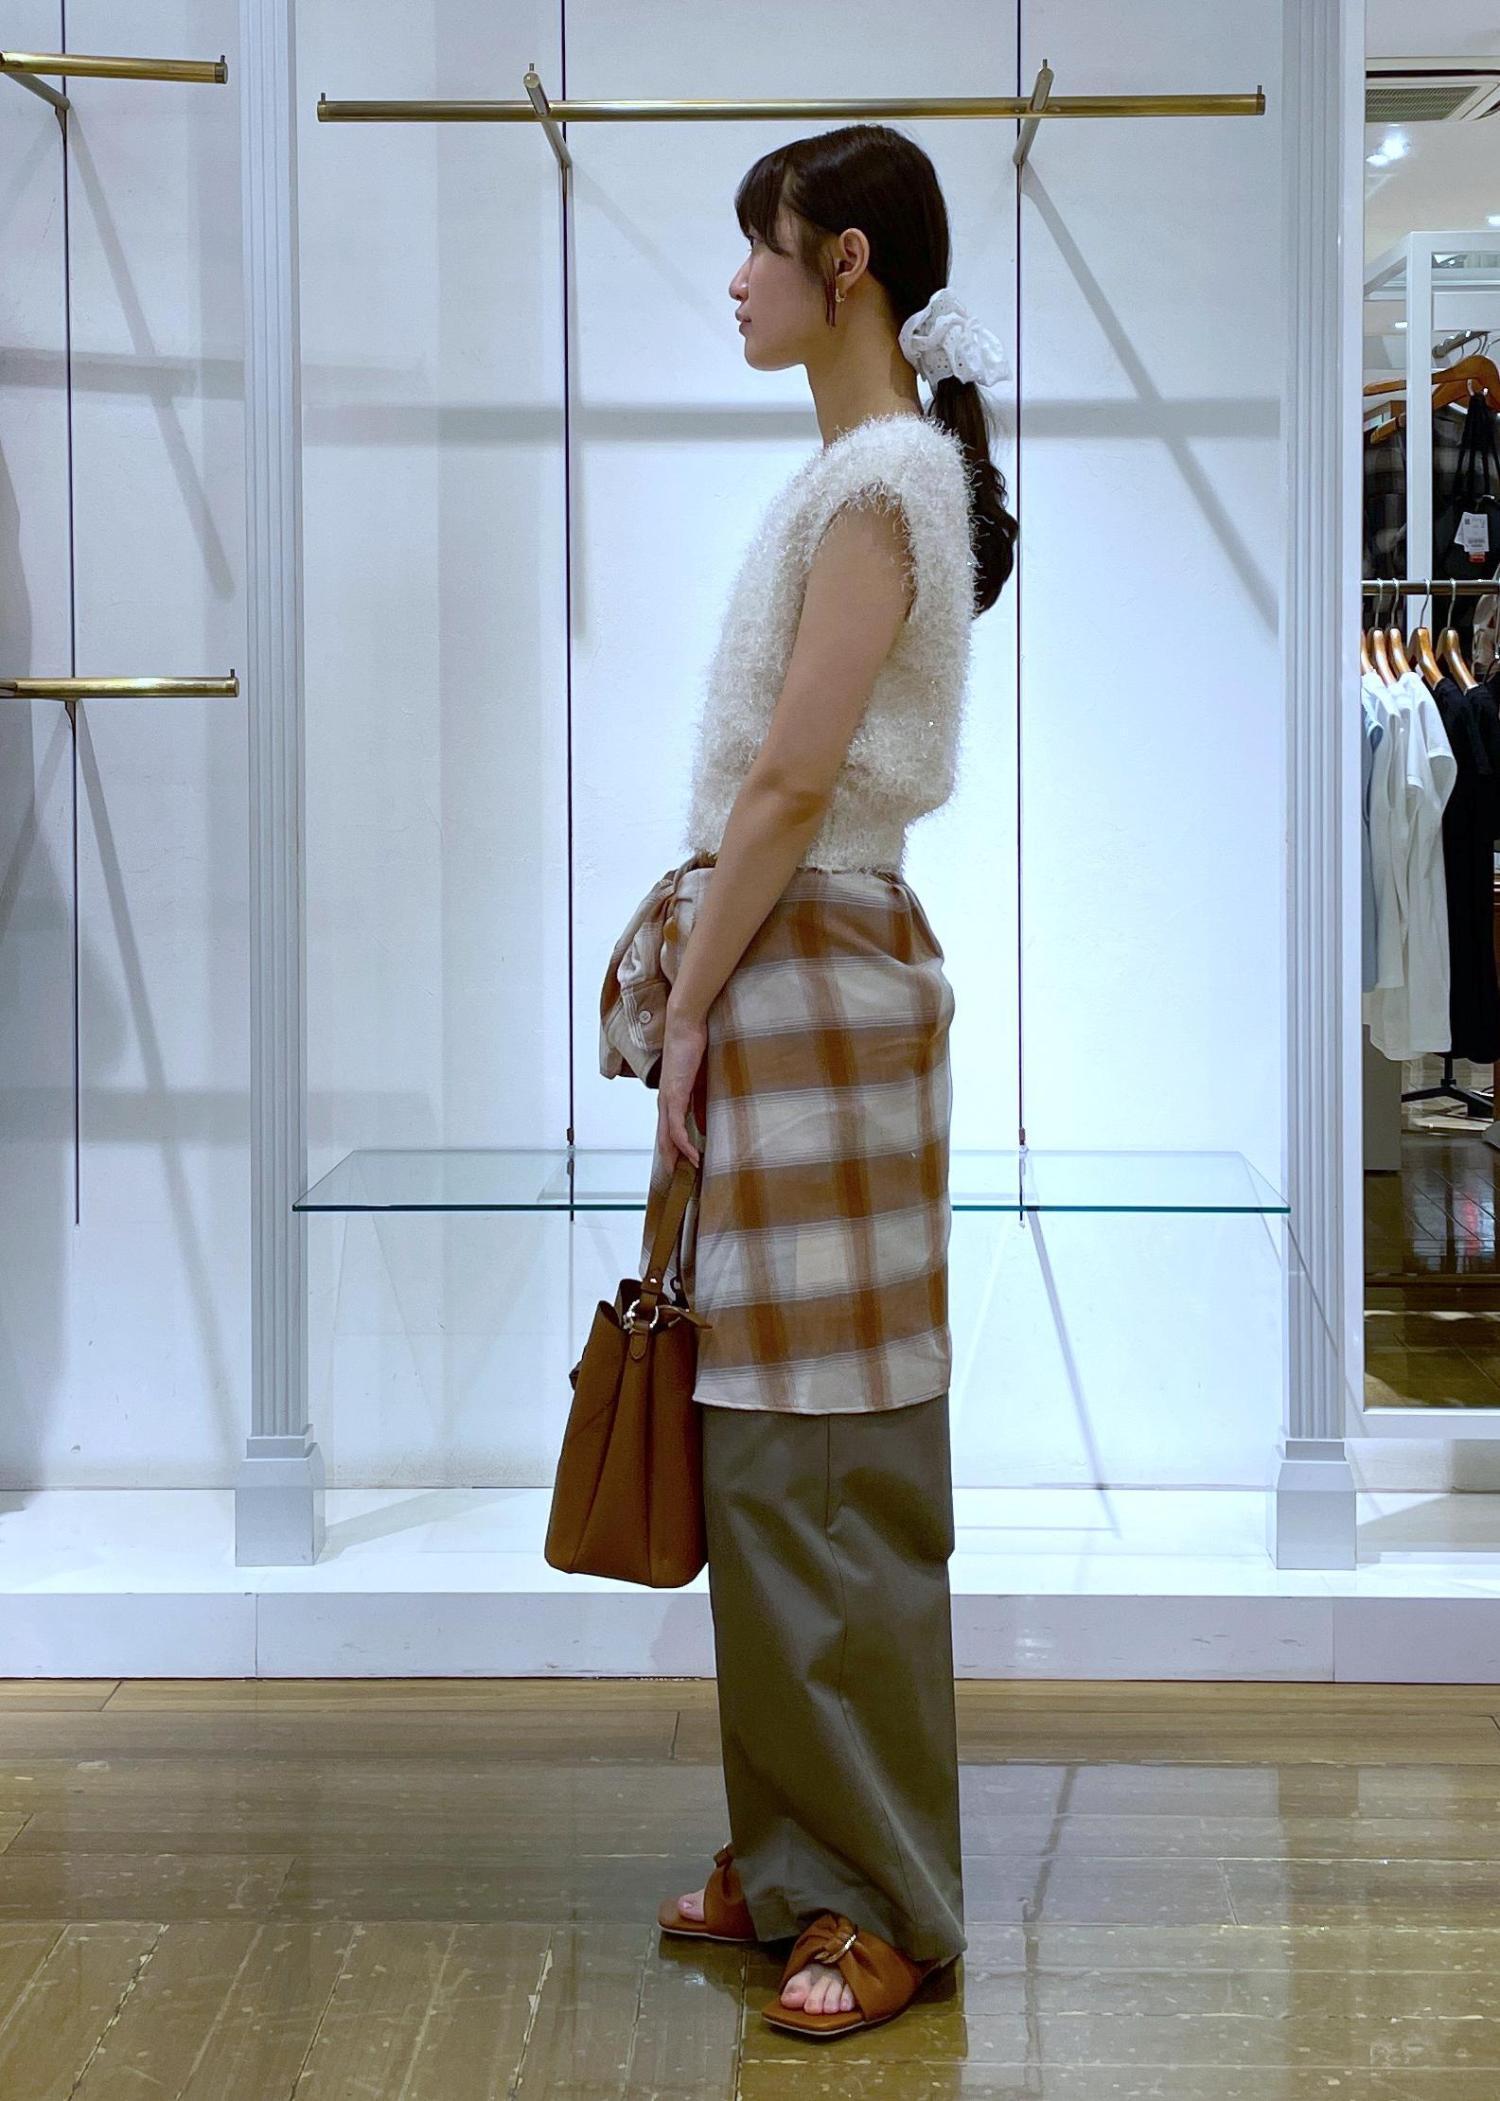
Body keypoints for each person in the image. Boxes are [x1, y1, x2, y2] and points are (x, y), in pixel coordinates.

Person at [643, 122, 1015, 2041]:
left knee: (832, 1463)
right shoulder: (865, 474)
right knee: (768, 1455)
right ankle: (800, 1851)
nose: (737, 280)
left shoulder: (882, 483)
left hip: (815, 985)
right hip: (800, 978)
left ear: (844, 263)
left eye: (761, 247)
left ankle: (884, 1897)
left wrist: (690, 1002)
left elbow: (792, 784)